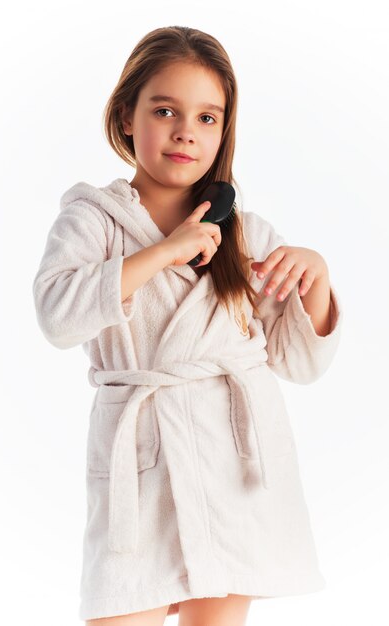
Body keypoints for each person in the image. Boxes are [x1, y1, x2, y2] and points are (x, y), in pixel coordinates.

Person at [32, 25, 343, 626]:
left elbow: (301, 364)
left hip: (234, 467)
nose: (185, 132)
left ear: (225, 129)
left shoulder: (247, 232)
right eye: (165, 109)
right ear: (126, 116)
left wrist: (319, 280)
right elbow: (56, 317)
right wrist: (161, 255)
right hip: (140, 464)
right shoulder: (91, 220)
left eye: (208, 117)